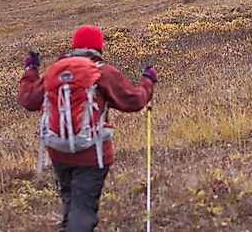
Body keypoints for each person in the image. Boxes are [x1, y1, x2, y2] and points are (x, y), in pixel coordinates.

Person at [18, 25, 157, 232]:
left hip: (58, 152)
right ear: (98, 48)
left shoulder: (55, 70)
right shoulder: (101, 72)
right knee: (83, 211)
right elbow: (134, 101)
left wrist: (30, 71)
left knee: (71, 202)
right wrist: (148, 81)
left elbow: (27, 99)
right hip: (93, 155)